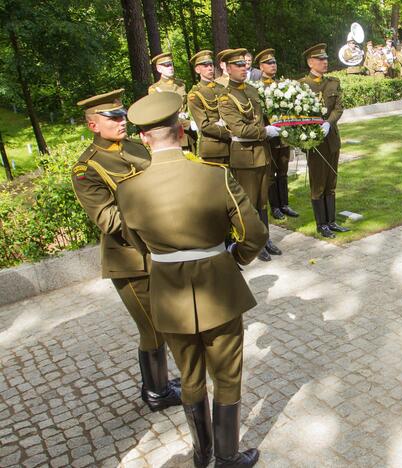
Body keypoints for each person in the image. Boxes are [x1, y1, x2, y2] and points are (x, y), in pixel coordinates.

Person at [121, 91, 268, 468]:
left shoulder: (129, 189)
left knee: (189, 376)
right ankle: (228, 456)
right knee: (228, 374)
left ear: (143, 138)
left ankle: (201, 455)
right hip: (218, 289)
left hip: (168, 292)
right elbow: (254, 234)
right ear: (182, 129)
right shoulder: (213, 175)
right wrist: (233, 257)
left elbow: (139, 244)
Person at [71, 89, 182, 413]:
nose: (122, 120)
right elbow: (108, 218)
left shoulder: (136, 147)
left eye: (122, 114)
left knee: (163, 322)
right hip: (130, 260)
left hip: (160, 252)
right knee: (152, 326)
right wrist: (159, 221)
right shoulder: (86, 168)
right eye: (114, 117)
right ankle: (157, 393)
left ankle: (158, 384)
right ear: (94, 125)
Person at [217, 48, 282, 261]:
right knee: (249, 204)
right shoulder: (226, 98)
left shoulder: (252, 91)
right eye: (238, 65)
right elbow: (240, 130)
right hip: (245, 156)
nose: (244, 68)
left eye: (244, 65)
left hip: (262, 153)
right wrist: (266, 132)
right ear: (227, 68)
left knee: (263, 201)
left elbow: (260, 118)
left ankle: (265, 238)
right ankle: (252, 244)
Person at [299, 43, 349, 238]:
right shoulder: (303, 85)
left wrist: (328, 123)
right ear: (311, 62)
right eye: (321, 59)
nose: (325, 62)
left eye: (326, 59)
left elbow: (338, 107)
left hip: (332, 138)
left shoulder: (333, 82)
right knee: (318, 183)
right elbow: (298, 114)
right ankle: (321, 224)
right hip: (314, 142)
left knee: (331, 181)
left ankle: (332, 221)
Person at [255, 48, 299, 221]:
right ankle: (275, 206)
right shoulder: (257, 87)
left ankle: (285, 204)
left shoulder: (282, 85)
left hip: (284, 135)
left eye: (274, 62)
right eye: (269, 63)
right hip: (269, 135)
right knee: (271, 173)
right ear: (261, 66)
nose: (273, 65)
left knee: (283, 170)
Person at [187, 50, 231, 165]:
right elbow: (203, 125)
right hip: (213, 149)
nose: (210, 68)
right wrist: (229, 132)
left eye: (211, 65)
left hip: (232, 146)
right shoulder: (195, 94)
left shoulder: (222, 88)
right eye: (205, 66)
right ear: (197, 70)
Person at [149, 52, 194, 150]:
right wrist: (187, 123)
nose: (170, 67)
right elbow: (162, 114)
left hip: (189, 133)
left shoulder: (181, 84)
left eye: (171, 64)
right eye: (166, 65)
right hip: (172, 132)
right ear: (159, 69)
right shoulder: (155, 89)